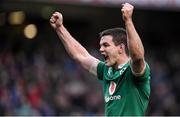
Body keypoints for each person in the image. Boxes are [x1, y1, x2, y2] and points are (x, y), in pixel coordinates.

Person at [50, 3, 151, 116]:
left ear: (121, 48)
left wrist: (128, 21)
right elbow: (81, 55)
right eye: (100, 45)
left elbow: (137, 56)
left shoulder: (134, 71)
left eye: (106, 45)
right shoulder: (106, 70)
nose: (101, 49)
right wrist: (60, 28)